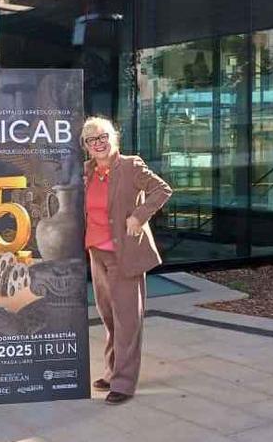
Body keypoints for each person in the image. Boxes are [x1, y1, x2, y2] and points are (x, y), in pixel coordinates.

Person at [81, 116, 172, 405]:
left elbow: (162, 190)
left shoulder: (130, 166)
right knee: (109, 317)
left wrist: (138, 216)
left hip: (124, 255)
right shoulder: (87, 171)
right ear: (86, 145)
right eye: (91, 139)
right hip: (97, 253)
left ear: (113, 138)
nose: (98, 143)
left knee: (127, 320)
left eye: (103, 137)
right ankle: (112, 371)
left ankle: (123, 382)